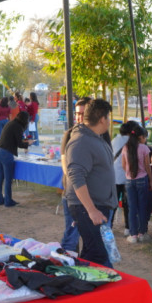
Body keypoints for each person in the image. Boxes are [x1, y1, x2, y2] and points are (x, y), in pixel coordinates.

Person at [65, 98, 116, 267]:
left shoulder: (96, 137)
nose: (109, 122)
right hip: (87, 206)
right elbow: (76, 176)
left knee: (91, 252)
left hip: (98, 205)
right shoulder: (81, 140)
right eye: (108, 118)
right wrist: (91, 209)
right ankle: (96, 288)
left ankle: (82, 286)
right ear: (102, 119)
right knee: (99, 253)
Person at [59, 97, 91, 253]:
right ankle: (65, 265)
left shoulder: (99, 135)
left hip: (92, 195)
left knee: (91, 237)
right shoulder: (70, 134)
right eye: (77, 113)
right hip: (73, 194)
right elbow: (66, 167)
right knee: (71, 235)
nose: (79, 117)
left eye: (83, 114)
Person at [0, 110, 32, 207]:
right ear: (25, 120)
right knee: (8, 179)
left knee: (0, 178)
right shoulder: (18, 127)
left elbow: (14, 139)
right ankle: (8, 201)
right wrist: (28, 143)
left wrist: (24, 142)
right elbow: (20, 144)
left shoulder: (10, 123)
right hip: (6, 153)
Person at [122, 124, 152, 243]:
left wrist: (129, 173)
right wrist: (150, 180)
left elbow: (123, 165)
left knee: (132, 208)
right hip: (142, 180)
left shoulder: (126, 147)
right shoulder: (144, 148)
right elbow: (147, 166)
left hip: (129, 180)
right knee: (142, 207)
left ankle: (133, 234)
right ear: (140, 137)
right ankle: (142, 233)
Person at [110, 120, 135, 236]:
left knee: (113, 203)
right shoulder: (131, 141)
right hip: (126, 176)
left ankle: (109, 226)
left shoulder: (114, 140)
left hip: (113, 176)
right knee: (127, 204)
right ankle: (128, 228)